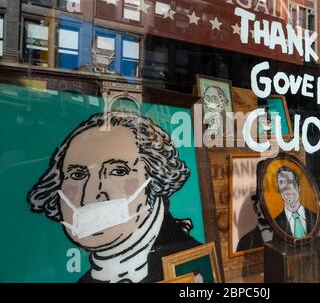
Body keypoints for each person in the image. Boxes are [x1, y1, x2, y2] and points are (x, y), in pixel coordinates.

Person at [27, 111, 199, 283]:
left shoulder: (194, 267)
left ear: (155, 179)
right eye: (78, 175)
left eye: (118, 171)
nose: (90, 196)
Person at [274, 166, 316, 239]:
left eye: (290, 182)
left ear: (299, 188)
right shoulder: (276, 223)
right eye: (281, 182)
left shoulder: (315, 217)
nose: (286, 188)